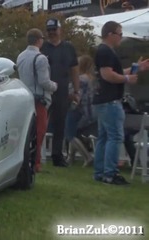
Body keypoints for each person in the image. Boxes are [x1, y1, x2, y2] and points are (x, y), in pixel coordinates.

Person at [92, 21, 149, 185]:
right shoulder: (105, 52)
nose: (121, 37)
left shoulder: (106, 52)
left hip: (104, 100)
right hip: (109, 101)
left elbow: (114, 72)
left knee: (104, 137)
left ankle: (100, 172)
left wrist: (136, 68)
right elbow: (107, 75)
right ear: (110, 34)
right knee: (115, 137)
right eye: (120, 34)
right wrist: (127, 78)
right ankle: (110, 173)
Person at [41, 18, 81, 167]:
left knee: (60, 125)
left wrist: (76, 90)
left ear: (60, 30)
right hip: (45, 91)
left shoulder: (68, 48)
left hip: (62, 91)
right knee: (40, 123)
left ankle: (57, 156)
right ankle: (36, 154)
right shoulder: (43, 47)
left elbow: (74, 70)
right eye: (49, 30)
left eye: (54, 29)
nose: (52, 33)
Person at [17, 28, 58, 172]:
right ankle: (35, 163)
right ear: (39, 40)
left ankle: (25, 160)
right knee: (39, 132)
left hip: (25, 97)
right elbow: (44, 82)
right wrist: (55, 86)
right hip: (39, 99)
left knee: (27, 133)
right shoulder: (41, 58)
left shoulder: (20, 56)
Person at [65, 55, 97, 166]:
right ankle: (71, 157)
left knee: (69, 134)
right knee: (74, 133)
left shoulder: (81, 79)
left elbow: (77, 94)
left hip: (77, 109)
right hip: (87, 110)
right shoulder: (91, 79)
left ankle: (87, 157)